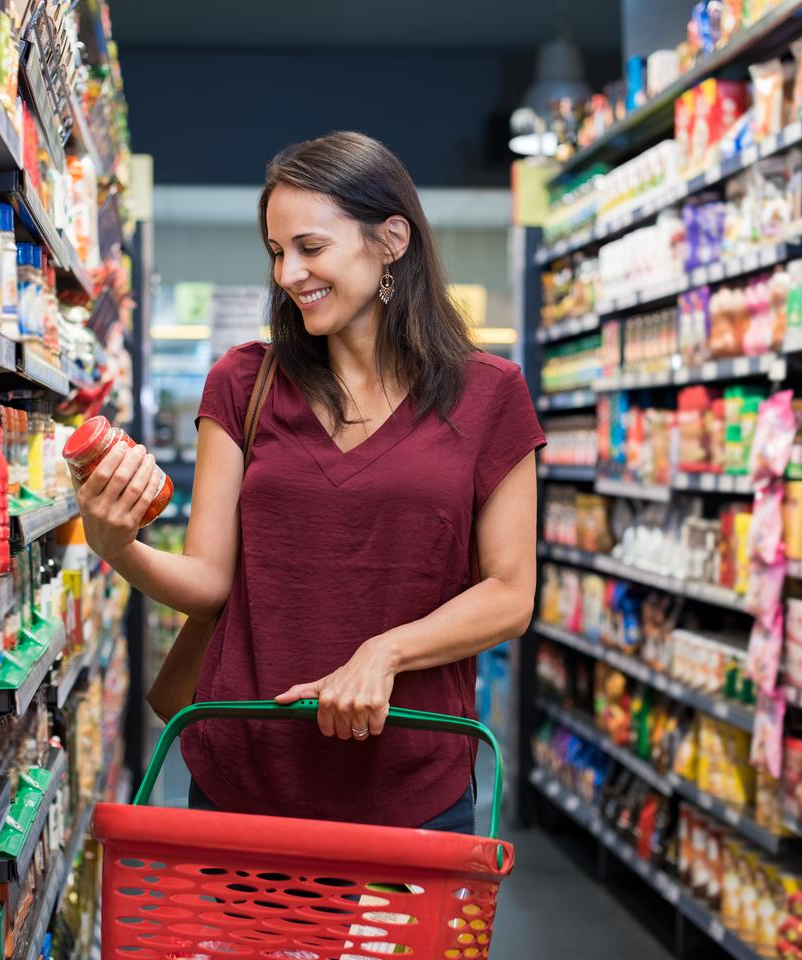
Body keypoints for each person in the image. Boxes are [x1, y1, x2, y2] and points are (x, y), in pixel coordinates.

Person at [73, 131, 545, 834]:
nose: (289, 273)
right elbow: (210, 581)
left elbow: (510, 594)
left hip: (411, 782)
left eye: (310, 247)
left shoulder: (488, 393)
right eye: (275, 252)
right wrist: (118, 546)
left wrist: (384, 653)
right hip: (247, 775)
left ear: (391, 240)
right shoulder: (243, 382)